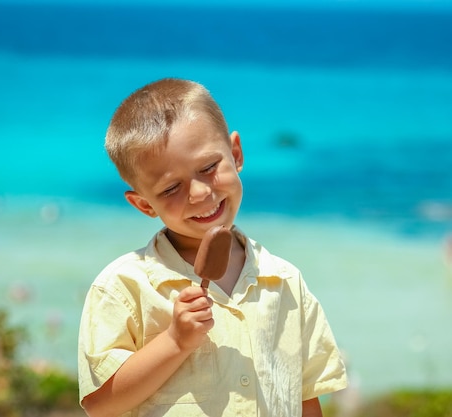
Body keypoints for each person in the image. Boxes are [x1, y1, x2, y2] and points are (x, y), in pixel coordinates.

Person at [77, 78, 348, 417]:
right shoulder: (123, 286)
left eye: (208, 168)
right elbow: (100, 404)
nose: (199, 193)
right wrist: (174, 341)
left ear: (235, 154)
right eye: (171, 188)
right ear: (144, 205)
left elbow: (306, 396)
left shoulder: (284, 281)